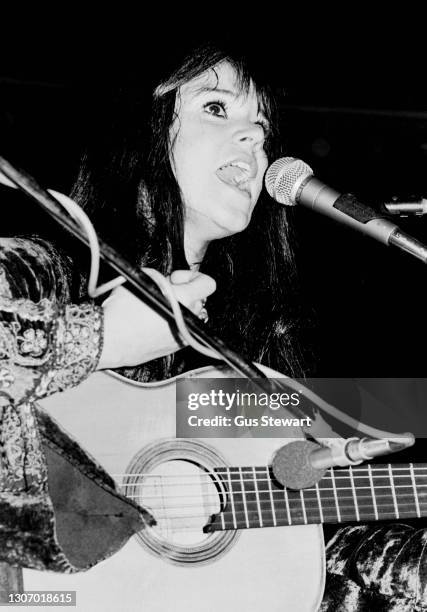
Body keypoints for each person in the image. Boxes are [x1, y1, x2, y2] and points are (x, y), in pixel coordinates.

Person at [1, 40, 423, 610]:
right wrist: (101, 339)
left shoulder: (257, 349)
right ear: (141, 130)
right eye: (218, 108)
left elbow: (312, 550)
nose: (256, 139)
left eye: (263, 127)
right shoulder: (49, 270)